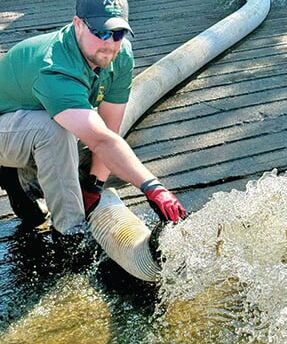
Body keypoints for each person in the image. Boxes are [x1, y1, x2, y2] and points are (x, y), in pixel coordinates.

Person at [0, 0, 186, 241]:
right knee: (53, 132)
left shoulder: (120, 55)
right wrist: (153, 187)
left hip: (37, 122)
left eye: (117, 33)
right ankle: (70, 234)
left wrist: (94, 186)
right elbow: (101, 140)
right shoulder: (54, 66)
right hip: (7, 126)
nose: (108, 43)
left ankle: (22, 177)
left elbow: (110, 129)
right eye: (99, 32)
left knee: (107, 162)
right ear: (77, 24)